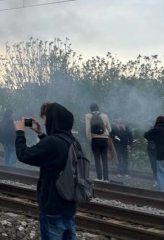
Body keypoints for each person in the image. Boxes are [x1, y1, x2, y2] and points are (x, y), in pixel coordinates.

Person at [15, 102, 78, 239]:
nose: (44, 122)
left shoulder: (52, 143)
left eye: (45, 119)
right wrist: (41, 134)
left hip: (52, 208)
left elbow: (23, 154)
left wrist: (20, 132)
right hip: (70, 207)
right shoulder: (73, 141)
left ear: (52, 120)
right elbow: (54, 155)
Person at [85, 102, 112, 182]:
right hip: (104, 140)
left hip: (95, 139)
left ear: (91, 109)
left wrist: (89, 139)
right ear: (98, 108)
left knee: (97, 159)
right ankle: (106, 178)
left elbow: (87, 129)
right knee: (104, 159)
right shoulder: (104, 115)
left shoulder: (88, 116)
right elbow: (110, 129)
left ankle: (99, 177)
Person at [143, 116, 164, 192]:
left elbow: (146, 135)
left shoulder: (156, 130)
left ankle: (161, 189)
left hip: (160, 154)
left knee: (160, 172)